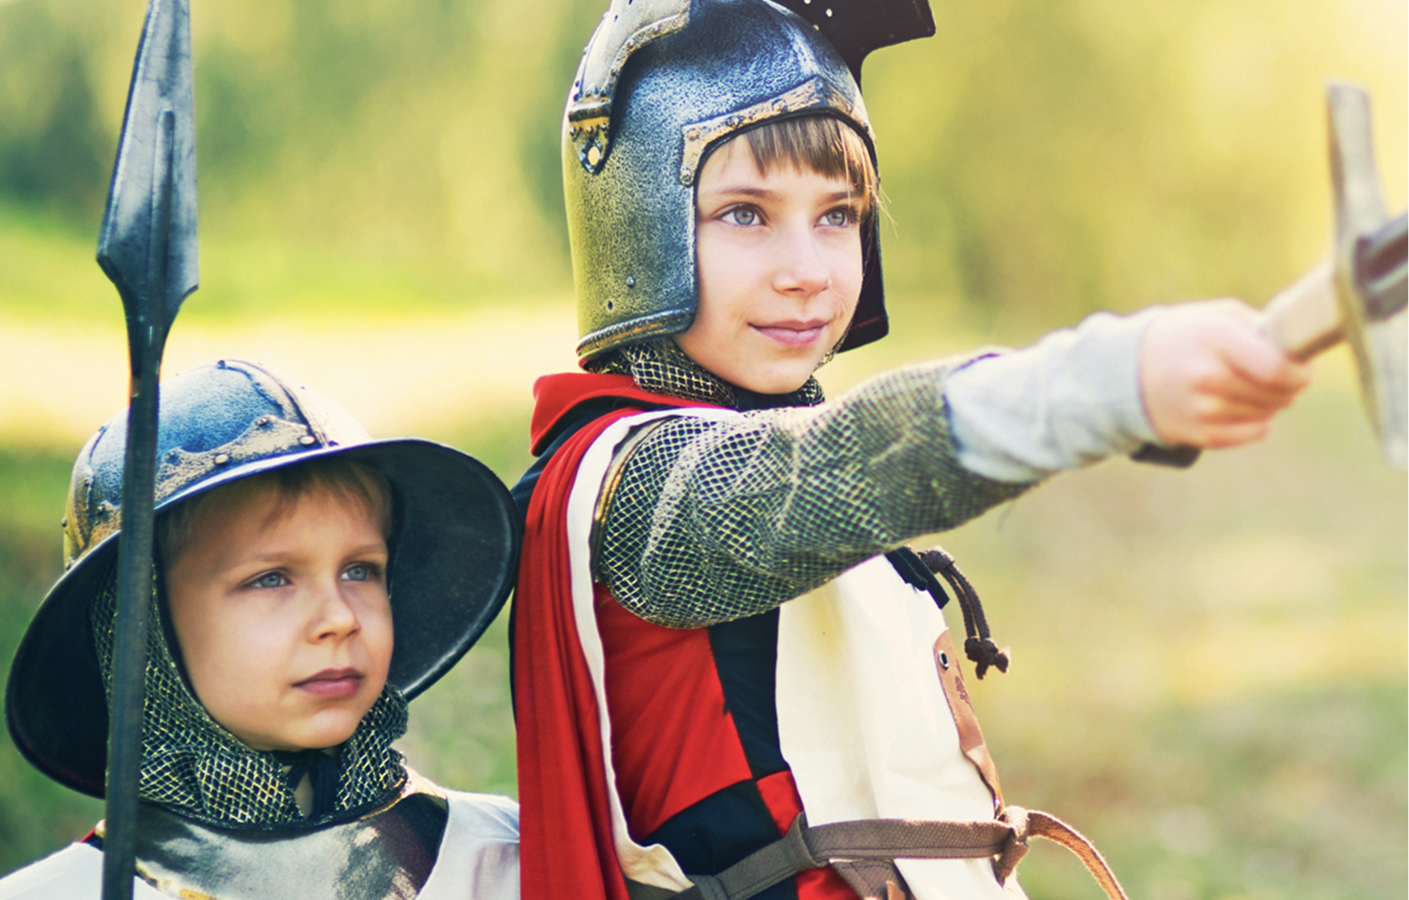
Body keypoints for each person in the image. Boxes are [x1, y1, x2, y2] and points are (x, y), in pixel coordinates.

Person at [511, 1, 1311, 899]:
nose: (808, 269)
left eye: (837, 214)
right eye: (744, 213)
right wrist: (1099, 387)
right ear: (634, 226)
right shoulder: (644, 491)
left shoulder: (756, 435)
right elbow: (824, 475)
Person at [0, 359, 522, 900]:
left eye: (360, 570)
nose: (341, 617)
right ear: (144, 634)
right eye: (271, 579)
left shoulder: (511, 861)